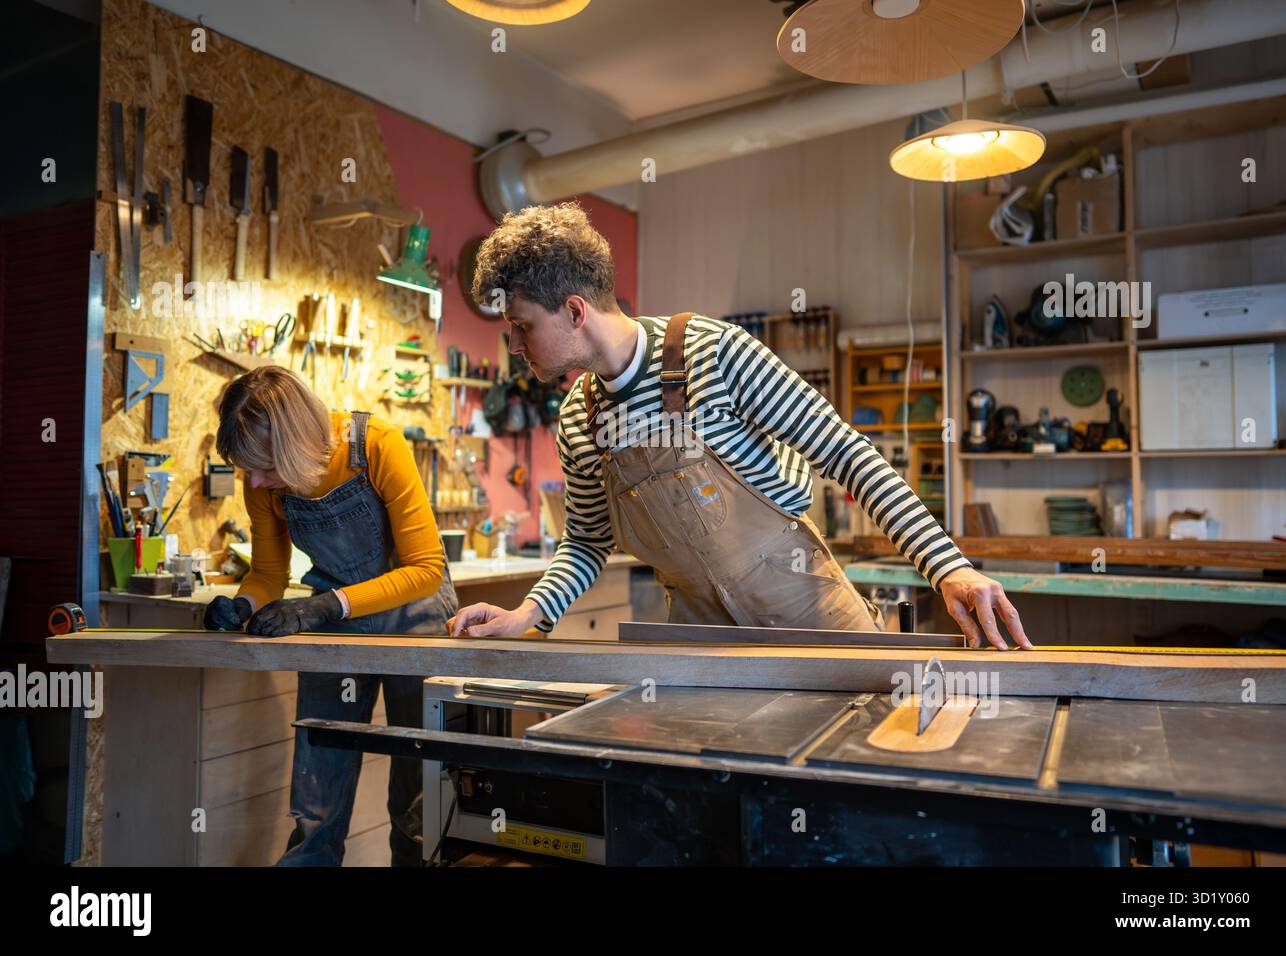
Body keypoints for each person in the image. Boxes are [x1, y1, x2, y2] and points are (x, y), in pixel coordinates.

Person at [448, 203, 1030, 650]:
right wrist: (529, 613)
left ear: (575, 311)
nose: (516, 345)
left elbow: (845, 451)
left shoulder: (712, 352)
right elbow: (586, 540)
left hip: (809, 613)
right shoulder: (579, 418)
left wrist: (947, 565)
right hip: (703, 640)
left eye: (522, 327)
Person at [204, 366, 457, 866]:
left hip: (416, 622)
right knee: (317, 806)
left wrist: (322, 605)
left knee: (419, 804)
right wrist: (244, 603)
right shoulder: (263, 480)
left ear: (296, 444)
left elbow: (426, 569)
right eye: (247, 469)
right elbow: (269, 572)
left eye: (264, 468)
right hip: (334, 624)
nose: (254, 482)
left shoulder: (377, 445)